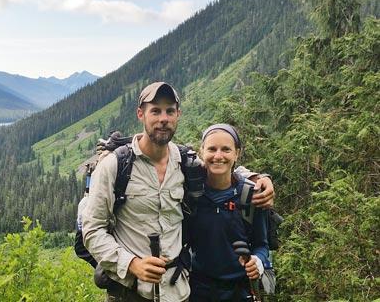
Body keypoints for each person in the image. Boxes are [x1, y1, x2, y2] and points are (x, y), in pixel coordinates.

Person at [82, 82, 274, 302]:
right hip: (131, 293)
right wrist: (132, 264)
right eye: (155, 110)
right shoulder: (116, 166)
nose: (163, 118)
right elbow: (92, 231)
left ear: (178, 115)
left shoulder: (186, 163)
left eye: (170, 111)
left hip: (178, 293)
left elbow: (220, 167)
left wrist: (258, 178)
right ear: (140, 114)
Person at [188, 124, 268, 301]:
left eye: (226, 149)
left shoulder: (250, 195)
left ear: (236, 154)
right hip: (198, 290)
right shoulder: (190, 194)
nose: (218, 156)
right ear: (202, 152)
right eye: (212, 149)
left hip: (240, 291)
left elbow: (262, 244)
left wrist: (257, 262)